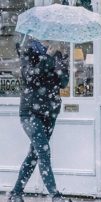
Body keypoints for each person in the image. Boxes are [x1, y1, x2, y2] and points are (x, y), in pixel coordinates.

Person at [8, 39, 71, 202]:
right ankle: (55, 195)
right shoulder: (28, 50)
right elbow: (30, 77)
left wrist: (63, 58)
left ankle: (16, 193)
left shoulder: (57, 53)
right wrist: (48, 57)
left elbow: (63, 82)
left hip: (50, 112)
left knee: (34, 154)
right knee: (43, 151)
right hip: (30, 112)